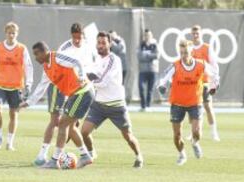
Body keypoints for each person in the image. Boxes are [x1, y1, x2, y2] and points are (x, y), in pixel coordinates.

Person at [20, 41, 94, 169]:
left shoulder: (57, 57)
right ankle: (85, 155)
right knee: (70, 127)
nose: (35, 57)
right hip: (75, 95)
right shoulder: (46, 68)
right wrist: (28, 102)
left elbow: (77, 61)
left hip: (83, 92)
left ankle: (55, 160)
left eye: (37, 54)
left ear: (44, 52)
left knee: (62, 124)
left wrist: (81, 76)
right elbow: (41, 87)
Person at [81, 31, 143, 168]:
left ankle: (138, 156)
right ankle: (91, 154)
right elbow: (90, 74)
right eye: (99, 42)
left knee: (128, 137)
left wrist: (86, 81)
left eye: (104, 43)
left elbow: (103, 81)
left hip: (116, 105)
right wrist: (83, 76)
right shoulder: (97, 59)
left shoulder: (114, 60)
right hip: (99, 105)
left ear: (110, 44)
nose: (101, 45)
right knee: (84, 132)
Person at [157, 40, 219, 166]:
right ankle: (182, 154)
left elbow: (214, 75)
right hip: (177, 103)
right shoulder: (175, 65)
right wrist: (162, 86)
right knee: (177, 135)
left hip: (195, 102)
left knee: (196, 132)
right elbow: (164, 78)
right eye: (181, 53)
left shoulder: (201, 64)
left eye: (185, 53)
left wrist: (214, 86)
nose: (183, 56)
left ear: (191, 52)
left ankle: (195, 143)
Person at [0, 22, 33, 151]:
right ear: (5, 33)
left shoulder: (22, 49)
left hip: (15, 87)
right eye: (9, 32)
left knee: (13, 115)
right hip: (0, 85)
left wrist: (29, 84)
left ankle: (10, 142)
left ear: (17, 34)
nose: (11, 35)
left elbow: (28, 67)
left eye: (13, 33)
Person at [188, 25, 220, 141]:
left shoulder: (207, 47)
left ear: (201, 34)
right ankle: (192, 132)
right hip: (192, 83)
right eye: (193, 33)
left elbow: (214, 64)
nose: (195, 35)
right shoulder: (189, 47)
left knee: (208, 107)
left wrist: (215, 79)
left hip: (205, 81)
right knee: (191, 107)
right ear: (191, 34)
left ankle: (214, 132)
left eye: (197, 33)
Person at [137, 29, 158, 112]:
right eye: (146, 35)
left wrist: (146, 54)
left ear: (151, 36)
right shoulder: (141, 45)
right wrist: (150, 55)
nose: (147, 37)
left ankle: (148, 106)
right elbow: (139, 56)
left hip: (153, 70)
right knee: (141, 87)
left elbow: (157, 55)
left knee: (150, 89)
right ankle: (143, 106)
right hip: (143, 70)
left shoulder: (155, 44)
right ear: (144, 36)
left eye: (148, 35)